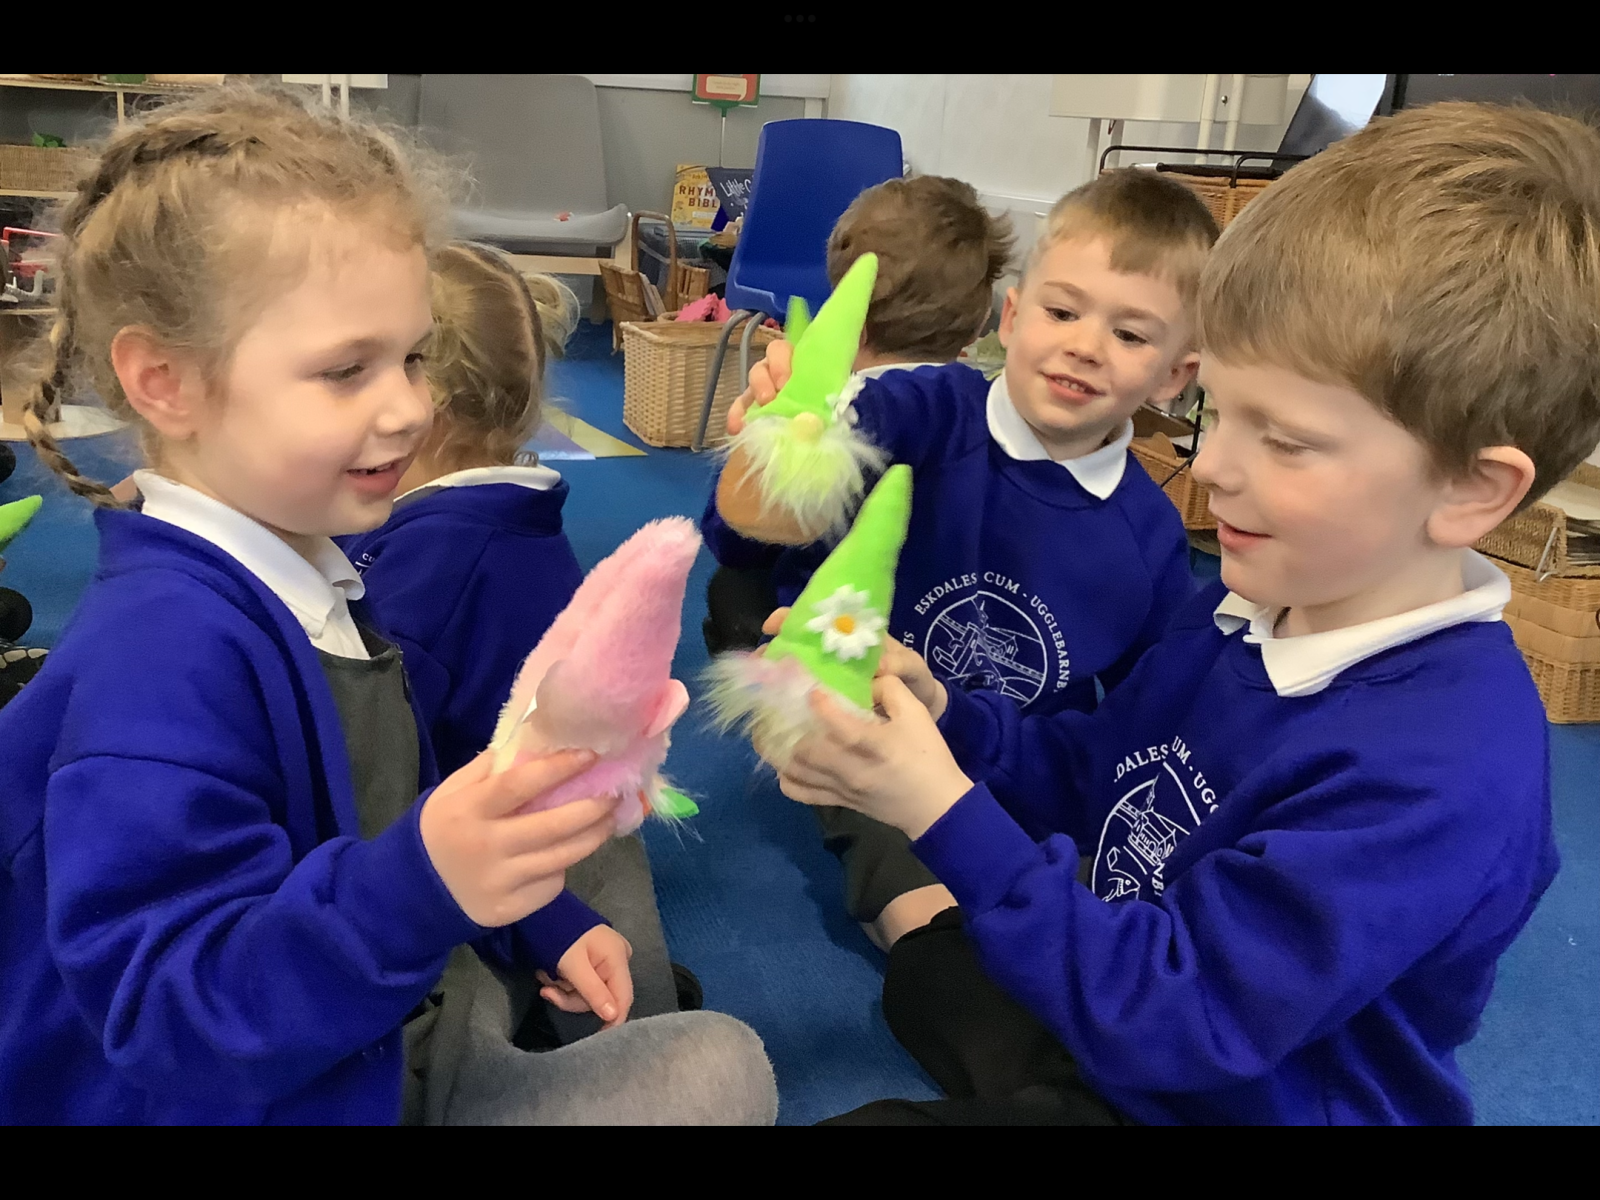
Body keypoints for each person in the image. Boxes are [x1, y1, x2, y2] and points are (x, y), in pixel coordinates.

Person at [773, 102, 1599, 1125]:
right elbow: (1091, 767)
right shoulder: (1250, 609)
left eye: (1283, 440)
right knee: (936, 970)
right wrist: (942, 717)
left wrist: (939, 808)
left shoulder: (1443, 769)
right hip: (1143, 1009)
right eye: (1216, 413)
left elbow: (1184, 1013)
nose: (1209, 468)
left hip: (1219, 1081)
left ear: (1471, 490)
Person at [0, 86, 775, 1125]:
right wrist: (419, 886)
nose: (411, 406)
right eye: (344, 371)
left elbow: (389, 790)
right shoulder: (159, 661)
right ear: (166, 382)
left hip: (368, 1024)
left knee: (716, 1064)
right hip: (249, 1085)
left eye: (411, 357)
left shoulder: (313, 566)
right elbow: (168, 1021)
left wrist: (542, 920)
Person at [715, 170, 1215, 949]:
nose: (1085, 347)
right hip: (875, 722)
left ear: (1177, 375)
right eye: (1062, 312)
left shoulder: (1150, 536)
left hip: (1015, 761)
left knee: (1086, 901)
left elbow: (1142, 716)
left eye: (1131, 335)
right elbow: (758, 510)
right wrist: (785, 430)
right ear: (1011, 317)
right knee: (932, 920)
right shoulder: (931, 406)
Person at [342, 242, 682, 1025]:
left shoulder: (430, 570)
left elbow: (380, 771)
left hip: (477, 821)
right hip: (547, 798)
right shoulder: (514, 513)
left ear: (421, 406)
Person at [700, 174, 1014, 656]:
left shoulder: (832, 407)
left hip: (832, 641)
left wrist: (762, 427)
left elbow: (732, 535)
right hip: (950, 643)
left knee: (729, 584)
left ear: (848, 314)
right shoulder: (997, 407)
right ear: (977, 327)